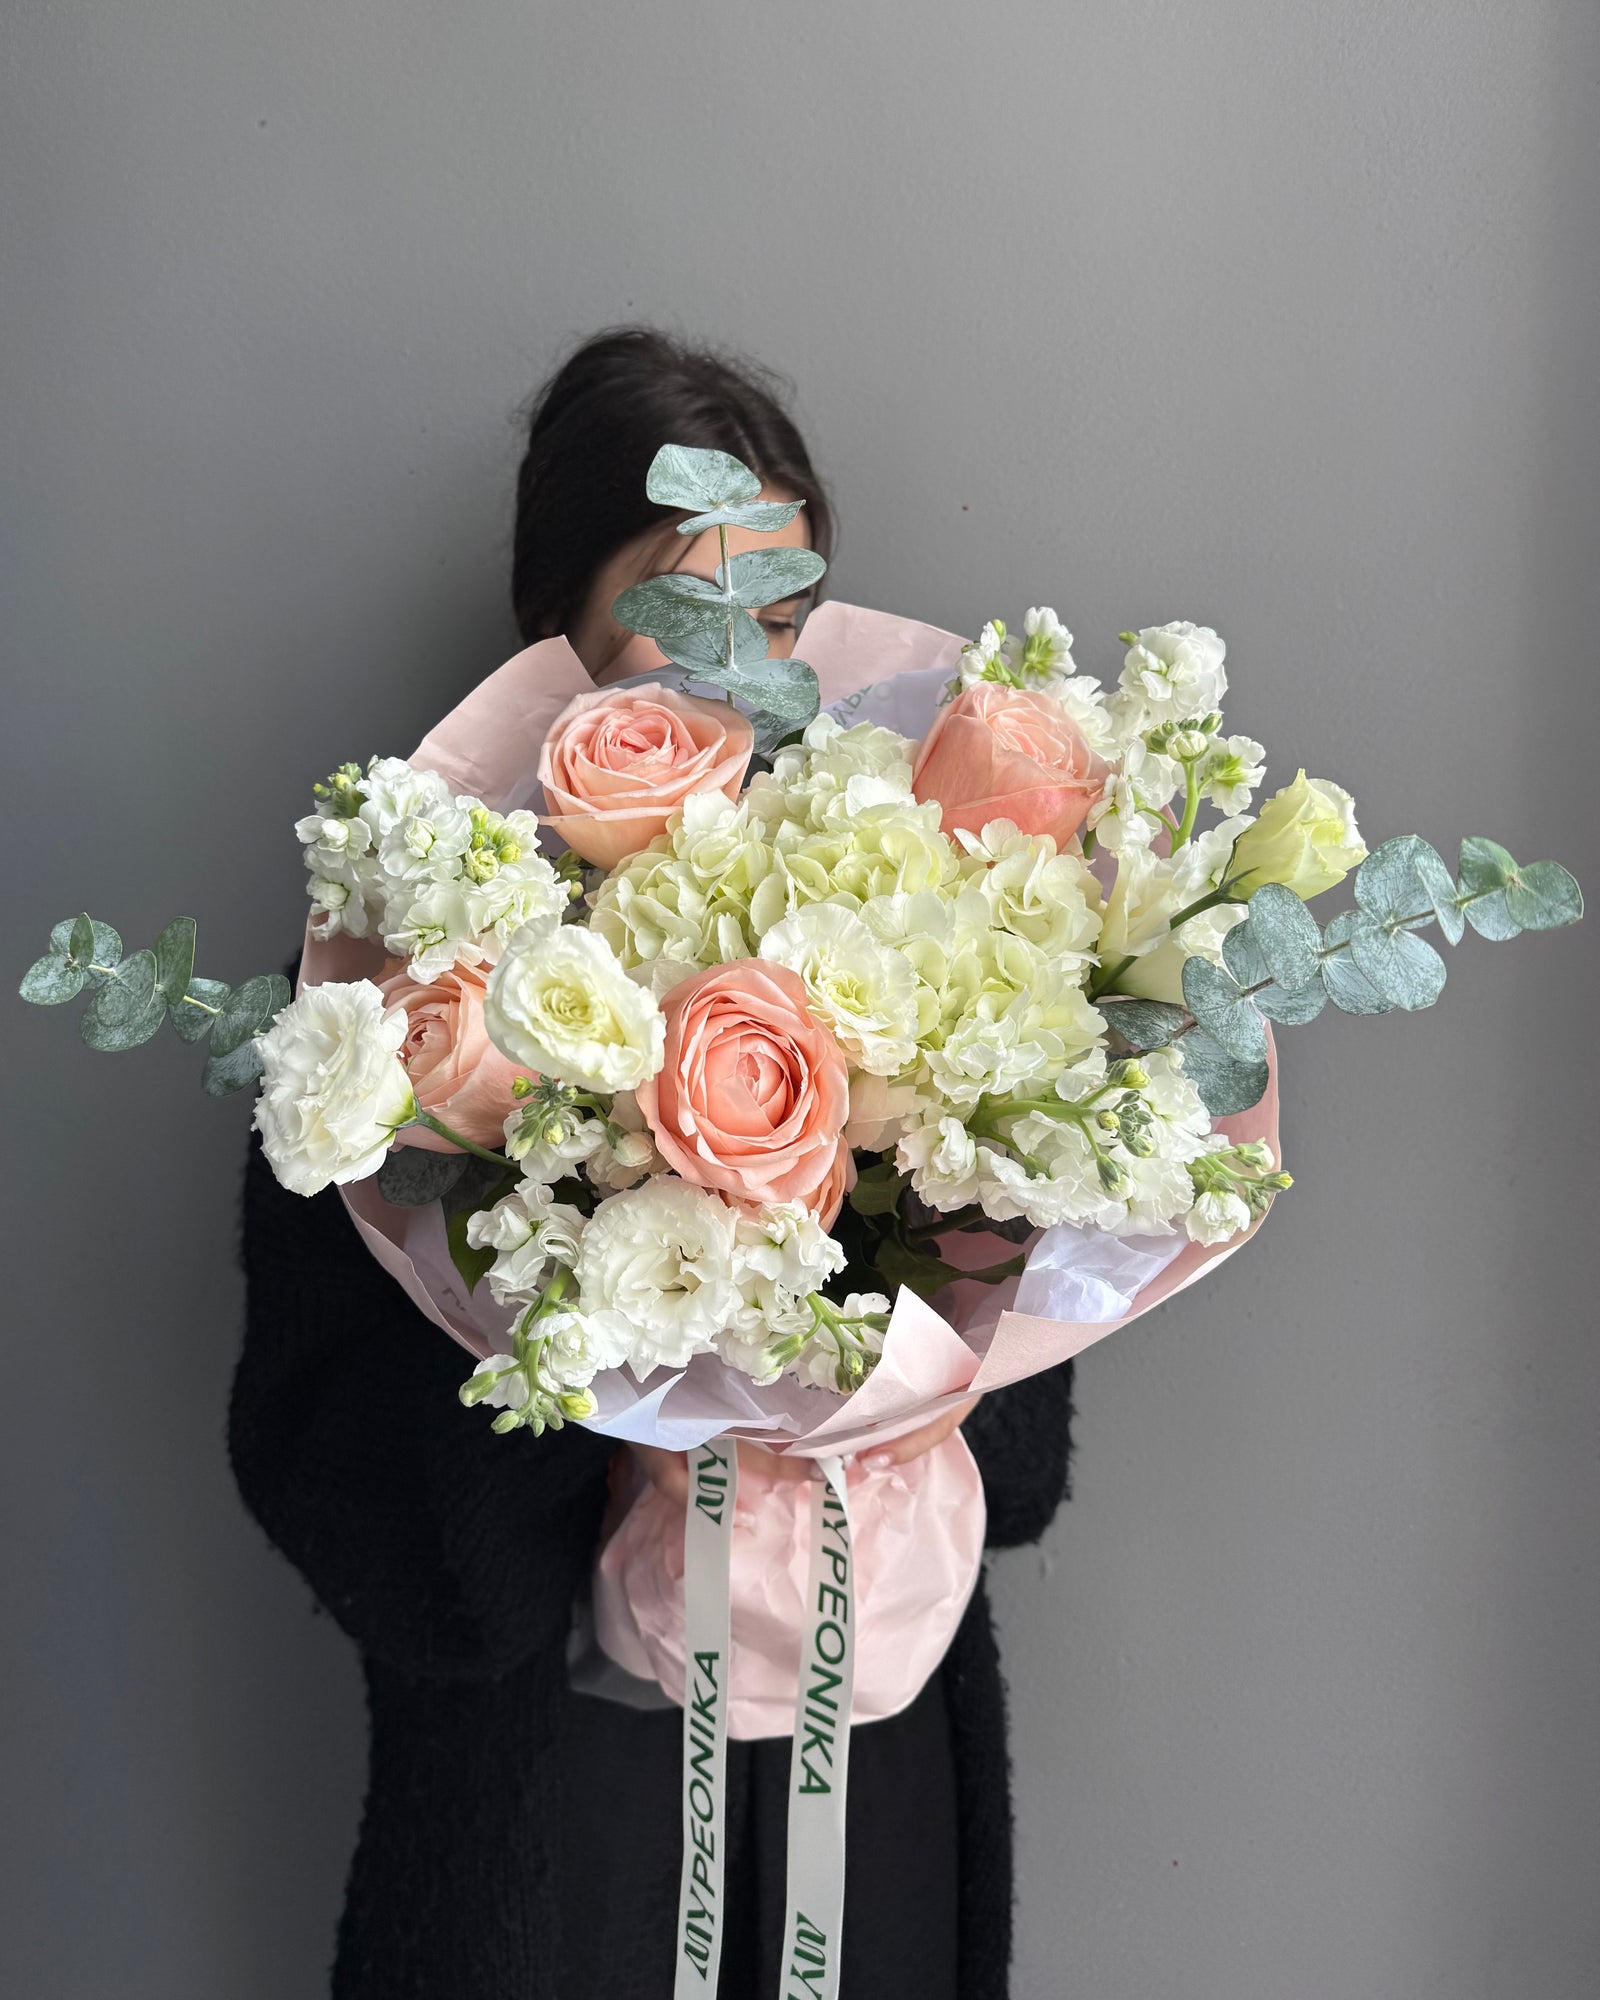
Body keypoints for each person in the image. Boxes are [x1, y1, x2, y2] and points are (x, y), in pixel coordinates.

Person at [231, 327, 1075, 1999]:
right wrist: (587, 1342)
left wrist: (874, 1353)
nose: (736, 673)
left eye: (775, 619)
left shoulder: (920, 944)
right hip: (556, 1816)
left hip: (872, 1769)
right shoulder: (392, 998)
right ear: (556, 640)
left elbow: (1024, 1471)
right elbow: (335, 1487)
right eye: (673, 613)